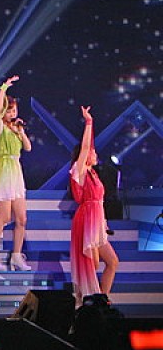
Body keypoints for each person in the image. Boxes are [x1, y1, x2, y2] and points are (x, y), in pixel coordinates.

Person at [0, 76, 32, 270]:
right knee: (3, 216)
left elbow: (28, 147)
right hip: (4, 172)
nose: (12, 113)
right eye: (9, 110)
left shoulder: (15, 129)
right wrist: (3, 88)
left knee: (21, 218)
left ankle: (16, 256)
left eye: (14, 110)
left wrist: (21, 132)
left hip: (16, 173)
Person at [70, 106, 119, 306]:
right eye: (92, 151)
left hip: (97, 223)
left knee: (112, 261)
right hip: (86, 221)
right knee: (92, 264)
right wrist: (89, 122)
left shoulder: (94, 174)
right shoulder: (79, 171)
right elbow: (84, 148)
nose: (94, 152)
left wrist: (104, 224)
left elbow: (100, 203)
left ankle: (102, 299)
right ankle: (87, 303)